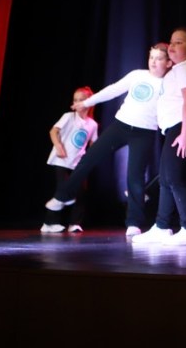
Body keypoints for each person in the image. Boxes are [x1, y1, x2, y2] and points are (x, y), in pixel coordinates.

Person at [44, 44, 172, 237]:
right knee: (88, 160)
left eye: (159, 58)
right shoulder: (137, 75)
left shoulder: (169, 84)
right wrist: (86, 102)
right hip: (120, 126)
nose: (153, 62)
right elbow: (113, 90)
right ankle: (62, 196)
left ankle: (134, 223)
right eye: (151, 57)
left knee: (135, 177)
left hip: (144, 133)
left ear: (169, 63)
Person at [132, 27, 186, 246]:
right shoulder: (177, 69)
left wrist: (185, 134)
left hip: (184, 126)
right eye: (171, 42)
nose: (172, 46)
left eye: (179, 43)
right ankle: (162, 226)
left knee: (175, 178)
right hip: (175, 127)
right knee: (166, 179)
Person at [41, 87, 99, 234]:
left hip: (77, 163)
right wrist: (58, 146)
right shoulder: (68, 116)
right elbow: (53, 131)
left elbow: (93, 143)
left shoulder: (92, 124)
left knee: (80, 193)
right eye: (75, 100)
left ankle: (75, 223)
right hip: (62, 160)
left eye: (81, 100)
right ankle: (49, 223)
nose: (77, 103)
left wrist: (90, 158)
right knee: (63, 190)